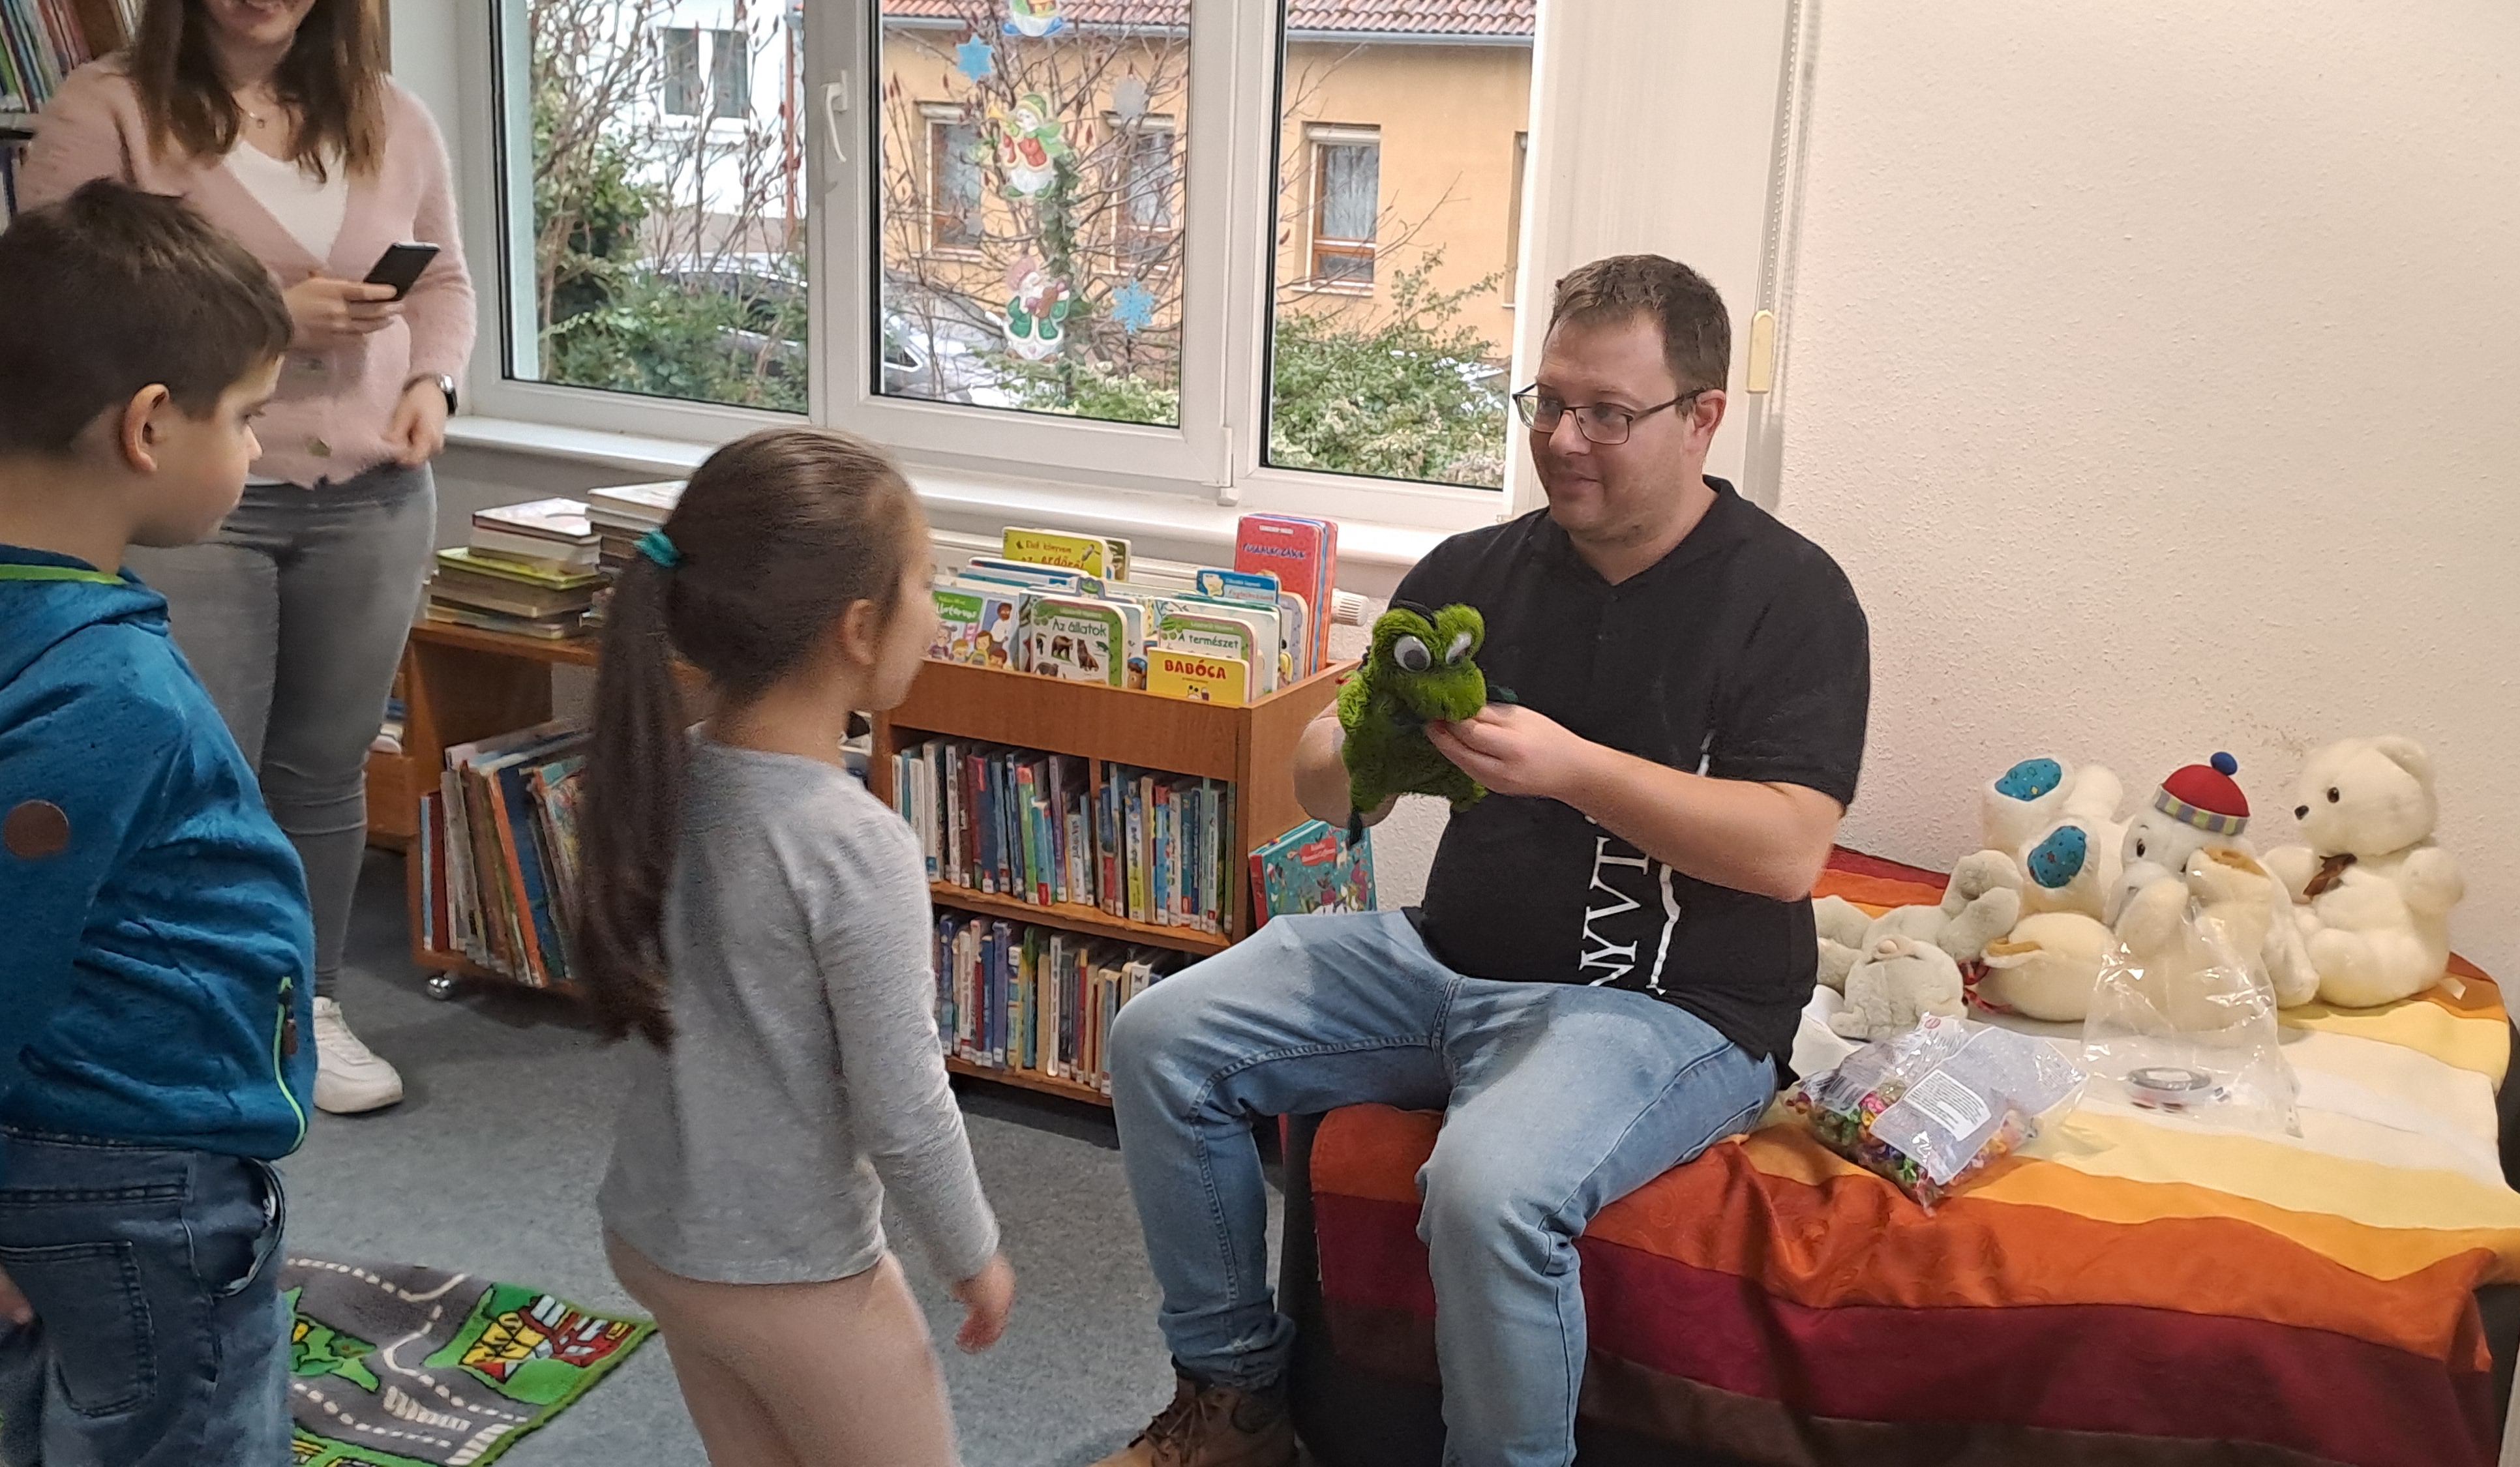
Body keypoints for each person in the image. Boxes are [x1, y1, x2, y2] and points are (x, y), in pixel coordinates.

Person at [1100, 254, 1872, 1467]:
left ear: (1702, 417)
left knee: (1487, 1187)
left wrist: (1575, 768)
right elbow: (1322, 785)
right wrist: (1371, 746)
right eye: (1548, 401)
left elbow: (1787, 850)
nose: (1562, 440)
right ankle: (1236, 1398)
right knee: (1161, 1039)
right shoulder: (1474, 571)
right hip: (1446, 960)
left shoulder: (1792, 596)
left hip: (1676, 1007)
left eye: (1607, 413)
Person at [22, 0, 477, 1115]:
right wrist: (270, 316)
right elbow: (59, 305)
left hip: (373, 490)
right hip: (193, 495)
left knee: (326, 769)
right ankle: (185, 1012)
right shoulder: (108, 107)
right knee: (192, 766)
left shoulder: (392, 116)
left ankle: (307, 1002)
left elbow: (444, 285)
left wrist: (435, 383)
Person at [580, 428, 1018, 1467]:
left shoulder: (667, 770)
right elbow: (903, 1103)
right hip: (788, 1272)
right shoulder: (853, 844)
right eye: (928, 582)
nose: (939, 611)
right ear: (859, 629)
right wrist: (974, 1253)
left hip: (652, 1232)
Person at [0, 181, 316, 1467]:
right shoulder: (102, 697)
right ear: (147, 426)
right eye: (245, 416)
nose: (255, 449)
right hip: (129, 1165)